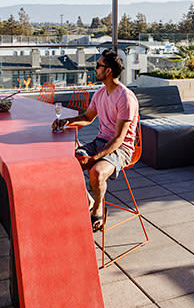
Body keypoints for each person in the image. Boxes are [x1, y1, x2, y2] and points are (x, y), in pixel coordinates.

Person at [52, 50, 139, 232]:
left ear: (108, 71)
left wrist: (94, 158)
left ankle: (98, 209)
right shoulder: (100, 94)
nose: (95, 69)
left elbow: (119, 138)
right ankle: (90, 201)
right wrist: (66, 122)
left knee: (96, 173)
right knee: (67, 165)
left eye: (98, 65)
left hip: (122, 149)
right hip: (100, 141)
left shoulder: (125, 98)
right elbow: (87, 117)